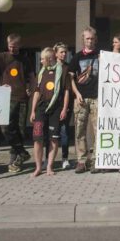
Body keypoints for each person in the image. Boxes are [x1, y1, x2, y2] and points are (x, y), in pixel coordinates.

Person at [0, 33, 35, 173]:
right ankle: (23, 153)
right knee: (5, 128)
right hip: (6, 98)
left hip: (22, 99)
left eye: (14, 46)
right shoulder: (3, 57)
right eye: (10, 46)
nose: (12, 49)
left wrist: (31, 89)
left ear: (19, 45)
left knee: (20, 130)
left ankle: (15, 161)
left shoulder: (25, 60)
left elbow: (32, 77)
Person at [30, 47, 70, 177]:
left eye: (42, 59)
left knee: (54, 138)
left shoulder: (63, 70)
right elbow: (36, 91)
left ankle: (49, 167)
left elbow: (66, 91)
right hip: (41, 108)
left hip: (56, 109)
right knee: (37, 138)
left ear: (49, 59)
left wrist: (64, 108)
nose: (41, 61)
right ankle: (38, 167)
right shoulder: (41, 72)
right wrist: (33, 110)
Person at [69, 26, 100, 174]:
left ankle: (95, 160)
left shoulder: (101, 56)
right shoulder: (76, 57)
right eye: (87, 38)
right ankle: (81, 160)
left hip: (96, 98)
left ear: (95, 39)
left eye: (92, 38)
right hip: (81, 98)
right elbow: (71, 79)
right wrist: (76, 93)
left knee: (97, 130)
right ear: (83, 40)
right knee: (79, 130)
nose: (90, 41)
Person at [53, 42, 73, 170]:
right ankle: (48, 160)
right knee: (50, 134)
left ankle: (65, 159)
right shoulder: (50, 67)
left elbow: (68, 88)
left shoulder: (68, 68)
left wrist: (65, 108)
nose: (64, 54)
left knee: (64, 132)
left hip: (65, 104)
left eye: (65, 52)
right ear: (55, 54)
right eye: (61, 52)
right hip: (52, 106)